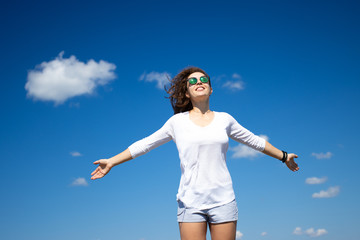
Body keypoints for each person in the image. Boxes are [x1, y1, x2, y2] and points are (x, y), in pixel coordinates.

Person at [91, 66, 299, 240]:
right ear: (187, 92)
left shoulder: (225, 119)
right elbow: (145, 144)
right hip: (190, 202)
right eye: (193, 82)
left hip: (223, 200)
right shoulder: (176, 123)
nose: (199, 82)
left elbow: (254, 141)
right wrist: (112, 161)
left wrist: (284, 156)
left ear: (210, 89)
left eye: (203, 79)